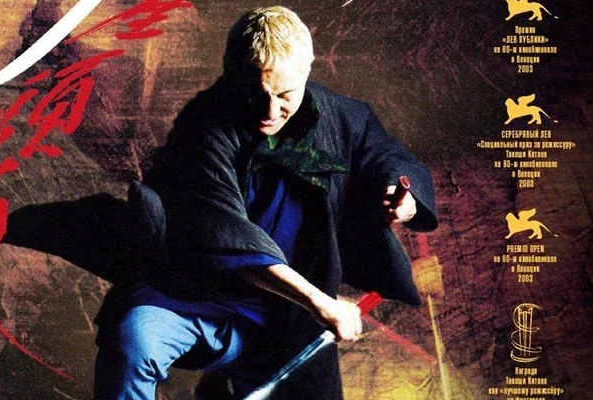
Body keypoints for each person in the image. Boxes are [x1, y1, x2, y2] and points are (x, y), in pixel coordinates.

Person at [93, 6, 438, 400]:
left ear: (307, 68)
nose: (270, 111)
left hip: (288, 319)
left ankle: (221, 388)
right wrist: (319, 302)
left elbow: (386, 158)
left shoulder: (341, 116)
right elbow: (227, 238)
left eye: (286, 95)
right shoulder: (201, 129)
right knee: (134, 341)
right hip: (193, 297)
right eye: (255, 93)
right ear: (230, 70)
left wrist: (404, 199)